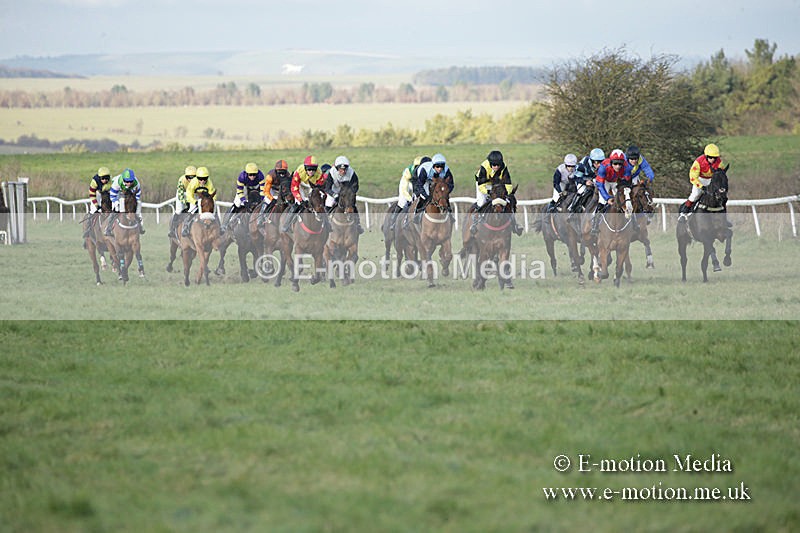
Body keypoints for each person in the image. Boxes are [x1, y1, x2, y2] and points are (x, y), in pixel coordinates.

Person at [470, 150, 522, 235]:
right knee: (481, 202)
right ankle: (475, 224)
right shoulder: (484, 167)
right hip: (483, 184)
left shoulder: (504, 167)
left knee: (508, 201)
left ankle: (514, 224)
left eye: (498, 165)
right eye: (494, 165)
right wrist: (489, 192)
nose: (496, 167)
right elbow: (481, 186)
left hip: (497, 184)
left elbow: (508, 184)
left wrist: (506, 193)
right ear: (490, 164)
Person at [590, 149, 631, 240]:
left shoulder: (627, 167)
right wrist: (607, 197)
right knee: (602, 201)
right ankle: (595, 225)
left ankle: (632, 223)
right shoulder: (603, 166)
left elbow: (626, 181)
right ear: (611, 162)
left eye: (620, 164)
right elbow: (600, 185)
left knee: (624, 200)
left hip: (617, 181)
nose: (618, 166)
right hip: (605, 181)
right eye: (615, 164)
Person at [679, 143, 726, 220]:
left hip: (712, 180)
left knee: (720, 196)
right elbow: (693, 177)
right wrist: (701, 186)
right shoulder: (698, 162)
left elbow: (720, 175)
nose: (713, 160)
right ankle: (684, 212)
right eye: (710, 157)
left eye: (715, 157)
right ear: (706, 156)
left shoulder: (720, 163)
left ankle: (724, 218)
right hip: (700, 179)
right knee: (696, 194)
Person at [282, 155, 324, 232]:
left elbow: (319, 188)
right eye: (309, 169)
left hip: (312, 187)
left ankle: (327, 224)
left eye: (313, 169)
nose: (311, 171)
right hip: (300, 186)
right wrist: (300, 200)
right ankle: (286, 224)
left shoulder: (319, 173)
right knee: (297, 204)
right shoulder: (299, 171)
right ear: (305, 168)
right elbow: (294, 187)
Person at [324, 155, 364, 233]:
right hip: (334, 191)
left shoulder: (352, 173)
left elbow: (356, 186)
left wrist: (350, 193)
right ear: (336, 168)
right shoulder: (331, 173)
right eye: (340, 169)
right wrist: (334, 195)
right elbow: (327, 188)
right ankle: (325, 224)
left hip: (347, 193)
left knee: (352, 206)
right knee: (328, 204)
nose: (343, 171)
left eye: (344, 169)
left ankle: (358, 225)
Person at [387, 156, 428, 231]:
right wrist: (410, 199)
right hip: (407, 182)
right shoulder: (408, 172)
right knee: (403, 202)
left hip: (417, 183)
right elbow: (404, 190)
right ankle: (393, 222)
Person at [220, 162, 264, 233]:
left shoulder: (260, 176)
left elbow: (262, 191)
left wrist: (261, 200)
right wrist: (244, 201)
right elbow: (240, 191)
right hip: (244, 188)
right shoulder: (242, 177)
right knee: (237, 204)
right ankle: (225, 224)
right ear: (246, 174)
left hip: (256, 188)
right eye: (250, 175)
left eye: (254, 174)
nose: (252, 177)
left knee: (265, 202)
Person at [412, 153, 454, 224]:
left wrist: (444, 194)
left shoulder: (446, 171)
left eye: (442, 166)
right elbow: (419, 185)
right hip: (422, 179)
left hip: (436, 180)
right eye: (437, 166)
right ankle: (417, 214)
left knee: (443, 197)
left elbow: (451, 184)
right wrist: (425, 196)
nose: (440, 169)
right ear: (433, 166)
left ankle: (450, 215)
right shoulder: (425, 170)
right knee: (425, 196)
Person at [104, 168, 144, 236]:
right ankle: (108, 228)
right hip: (117, 193)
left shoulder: (136, 184)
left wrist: (133, 203)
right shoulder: (117, 182)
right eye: (127, 181)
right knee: (116, 209)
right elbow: (113, 195)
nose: (129, 183)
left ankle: (140, 227)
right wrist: (117, 203)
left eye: (131, 181)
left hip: (129, 194)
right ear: (123, 179)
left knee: (136, 209)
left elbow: (137, 195)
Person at [181, 166, 217, 237]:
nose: (203, 181)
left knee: (213, 209)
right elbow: (189, 194)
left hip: (205, 198)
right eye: (200, 179)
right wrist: (195, 202)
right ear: (197, 178)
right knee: (192, 210)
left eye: (205, 178)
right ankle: (186, 226)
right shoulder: (194, 182)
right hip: (194, 197)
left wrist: (211, 202)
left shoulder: (209, 183)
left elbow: (212, 194)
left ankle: (220, 226)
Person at [567, 148, 604, 215]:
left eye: (601, 162)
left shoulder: (603, 165)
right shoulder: (583, 165)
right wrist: (585, 182)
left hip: (595, 181)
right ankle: (572, 209)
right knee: (581, 191)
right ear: (592, 161)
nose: (599, 165)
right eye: (597, 162)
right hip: (582, 180)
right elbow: (576, 177)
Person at [168, 165, 196, 238]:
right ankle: (172, 229)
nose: (191, 179)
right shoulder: (181, 180)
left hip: (193, 194)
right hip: (183, 194)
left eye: (193, 177)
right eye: (189, 177)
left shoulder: (198, 181)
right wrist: (185, 202)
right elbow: (180, 195)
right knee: (179, 210)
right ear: (185, 176)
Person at [83, 166, 112, 237]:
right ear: (99, 178)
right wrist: (96, 205)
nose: (105, 180)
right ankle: (88, 228)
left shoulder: (111, 181)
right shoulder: (94, 181)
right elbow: (92, 194)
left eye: (107, 178)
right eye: (103, 178)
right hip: (97, 194)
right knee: (93, 211)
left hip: (107, 194)